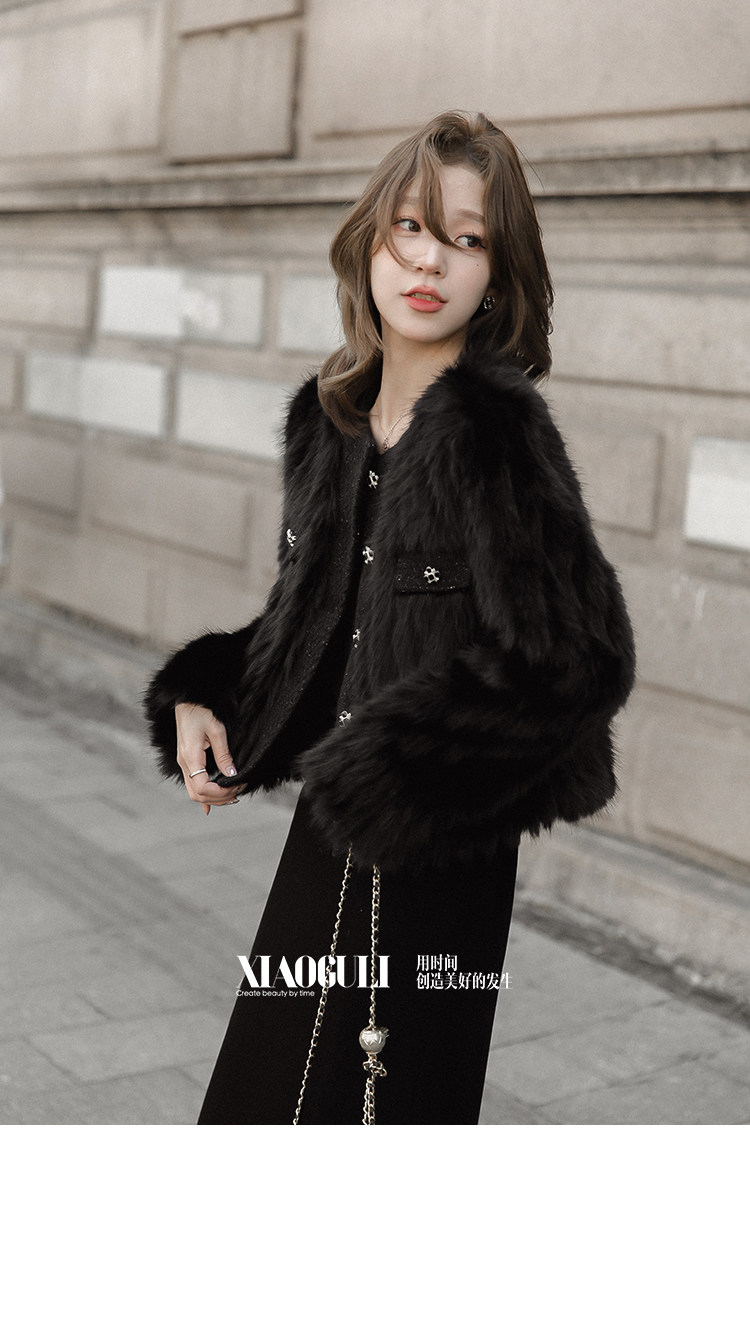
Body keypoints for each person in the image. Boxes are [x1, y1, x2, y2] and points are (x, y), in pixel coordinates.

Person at [144, 110, 635, 1126]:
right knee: (266, 1101)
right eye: (410, 226)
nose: (429, 260)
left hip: (436, 850)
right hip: (333, 833)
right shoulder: (326, 421)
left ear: (495, 277)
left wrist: (391, 765)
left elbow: (579, 660)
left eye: (466, 238)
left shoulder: (496, 432)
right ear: (369, 241)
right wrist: (202, 695)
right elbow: (311, 624)